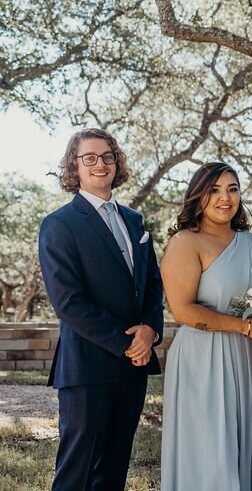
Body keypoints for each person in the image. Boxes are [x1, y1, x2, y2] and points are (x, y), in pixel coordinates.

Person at [38, 128, 164, 490]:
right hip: (87, 366)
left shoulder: (135, 221)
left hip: (133, 367)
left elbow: (152, 285)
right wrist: (126, 342)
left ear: (116, 162)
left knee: (113, 468)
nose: (100, 164)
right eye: (89, 157)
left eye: (107, 156)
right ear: (73, 167)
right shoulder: (59, 224)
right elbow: (68, 302)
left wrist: (149, 330)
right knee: (76, 471)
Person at [160, 162, 252, 491]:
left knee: (242, 444)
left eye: (232, 189)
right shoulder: (186, 242)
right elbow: (182, 310)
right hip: (204, 358)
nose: (224, 198)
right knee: (211, 452)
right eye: (214, 190)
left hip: (247, 359)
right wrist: (245, 328)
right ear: (198, 196)